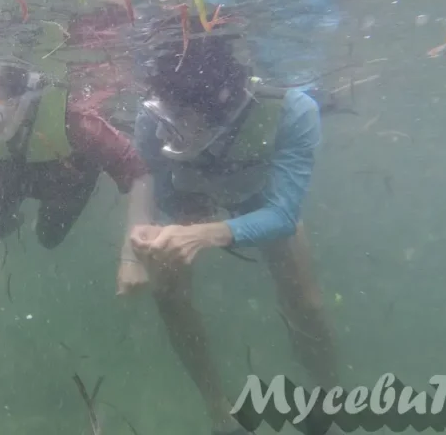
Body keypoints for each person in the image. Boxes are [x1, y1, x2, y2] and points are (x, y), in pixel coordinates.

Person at [124, 35, 340, 435]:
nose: (165, 127)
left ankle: (331, 401)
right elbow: (146, 175)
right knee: (168, 295)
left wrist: (209, 234)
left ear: (219, 110)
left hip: (259, 197)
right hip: (187, 199)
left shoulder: (293, 110)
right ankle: (218, 410)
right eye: (162, 114)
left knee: (306, 304)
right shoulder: (154, 114)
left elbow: (284, 212)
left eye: (178, 119)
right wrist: (132, 254)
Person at [0, 63, 153, 289]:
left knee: (49, 238)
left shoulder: (76, 122)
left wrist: (132, 256)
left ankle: (38, 223)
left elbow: (139, 173)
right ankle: (14, 223)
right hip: (8, 172)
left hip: (65, 179)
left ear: (20, 104)